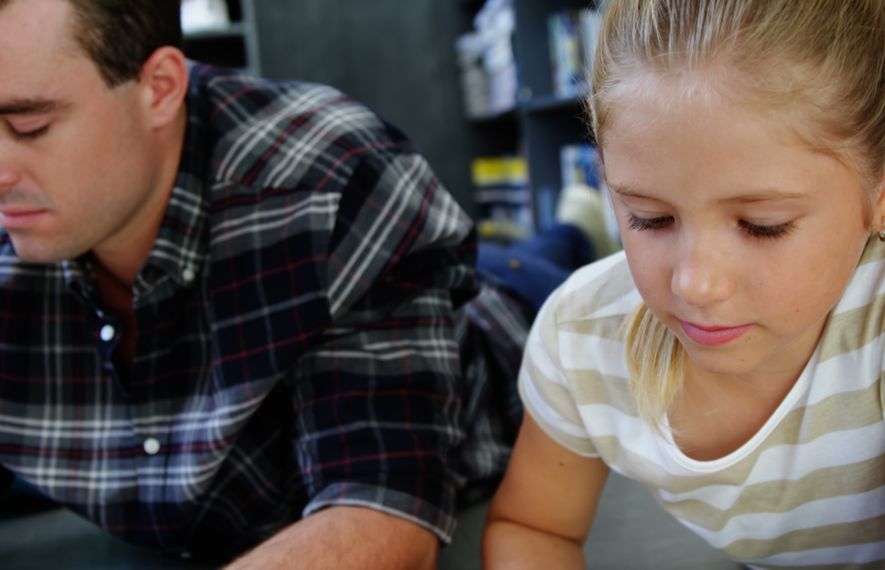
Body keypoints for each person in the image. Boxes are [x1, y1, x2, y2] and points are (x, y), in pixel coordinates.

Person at [0, 0, 599, 566]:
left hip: (495, 322)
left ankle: (574, 229)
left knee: (556, 274)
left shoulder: (332, 180)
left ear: (159, 88)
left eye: (27, 124)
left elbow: (381, 515)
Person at [484, 0, 885, 568]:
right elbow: (535, 527)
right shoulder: (579, 334)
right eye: (649, 217)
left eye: (762, 226)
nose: (697, 285)